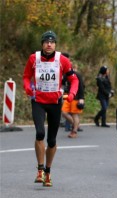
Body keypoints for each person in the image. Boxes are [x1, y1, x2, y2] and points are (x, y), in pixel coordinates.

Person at [23, 30, 79, 187]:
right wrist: (28, 88)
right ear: (42, 44)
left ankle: (48, 171)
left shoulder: (63, 60)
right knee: (40, 133)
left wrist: (72, 93)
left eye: (52, 42)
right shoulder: (34, 58)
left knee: (52, 140)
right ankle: (40, 170)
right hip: (38, 100)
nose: (49, 44)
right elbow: (26, 76)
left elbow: (73, 80)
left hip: (55, 102)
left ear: (55, 44)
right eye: (46, 42)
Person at [61, 54, 85, 138]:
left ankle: (74, 131)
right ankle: (76, 124)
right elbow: (62, 83)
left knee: (74, 114)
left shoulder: (77, 75)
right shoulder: (64, 75)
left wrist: (82, 98)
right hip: (67, 96)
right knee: (64, 112)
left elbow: (81, 87)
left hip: (76, 96)